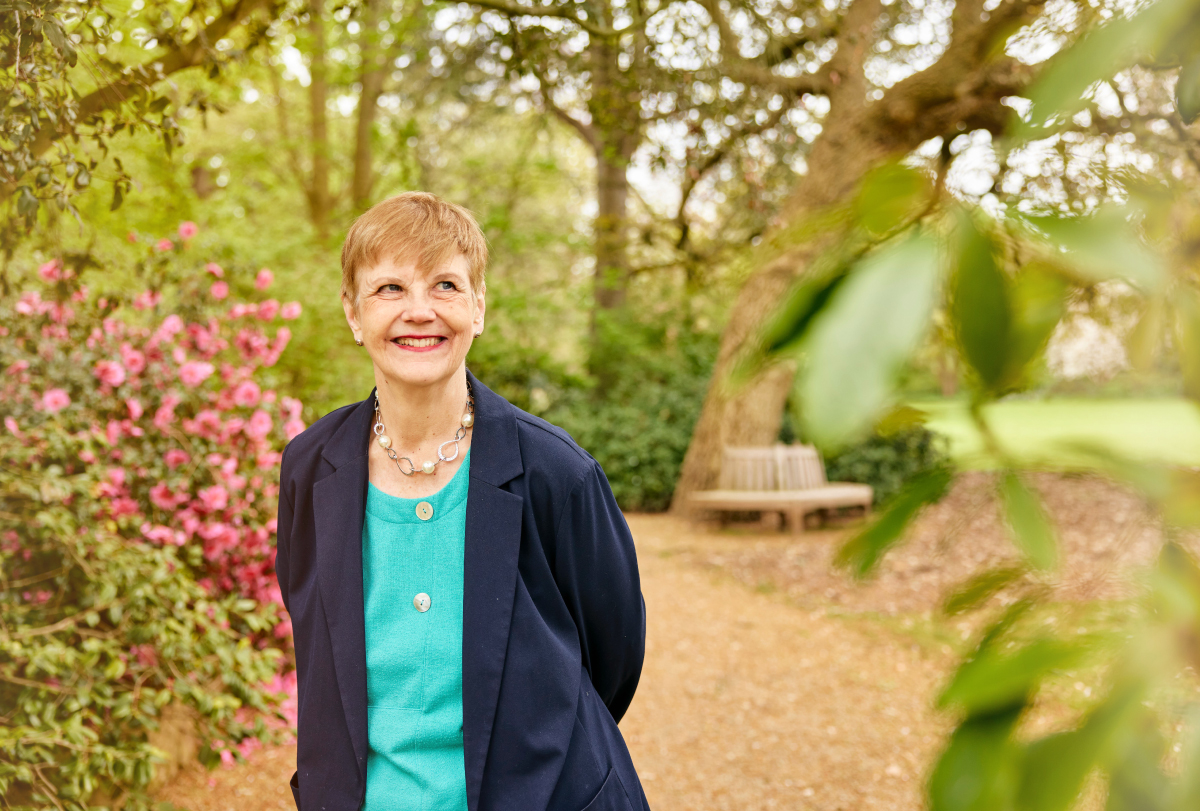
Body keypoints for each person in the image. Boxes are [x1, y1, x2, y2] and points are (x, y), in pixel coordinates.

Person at [274, 192, 649, 811]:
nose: (418, 312)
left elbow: (613, 659)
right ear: (352, 312)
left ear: (478, 306)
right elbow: (317, 647)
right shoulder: (310, 468)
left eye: (445, 285)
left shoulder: (559, 472)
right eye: (390, 288)